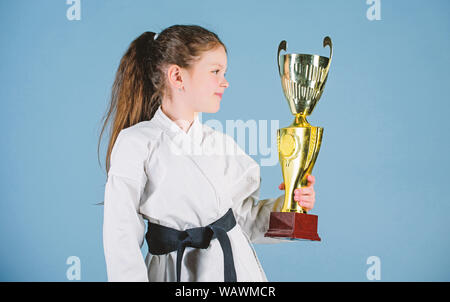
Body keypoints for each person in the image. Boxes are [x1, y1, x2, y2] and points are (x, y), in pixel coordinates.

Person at [98, 24, 316, 282]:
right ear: (177, 76)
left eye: (224, 72)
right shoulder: (136, 142)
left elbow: (245, 220)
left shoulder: (221, 144)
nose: (225, 82)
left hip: (234, 270)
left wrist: (292, 206)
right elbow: (120, 233)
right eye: (215, 71)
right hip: (174, 272)